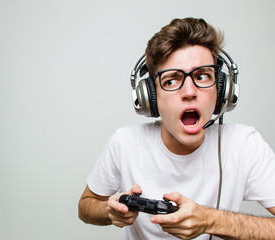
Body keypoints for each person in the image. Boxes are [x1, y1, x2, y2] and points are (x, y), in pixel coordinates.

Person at [78, 17, 275, 239]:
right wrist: (109, 211)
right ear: (151, 97)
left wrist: (212, 220)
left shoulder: (245, 144)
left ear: (222, 91)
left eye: (201, 76)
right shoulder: (125, 143)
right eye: (171, 80)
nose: (190, 92)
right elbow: (86, 206)